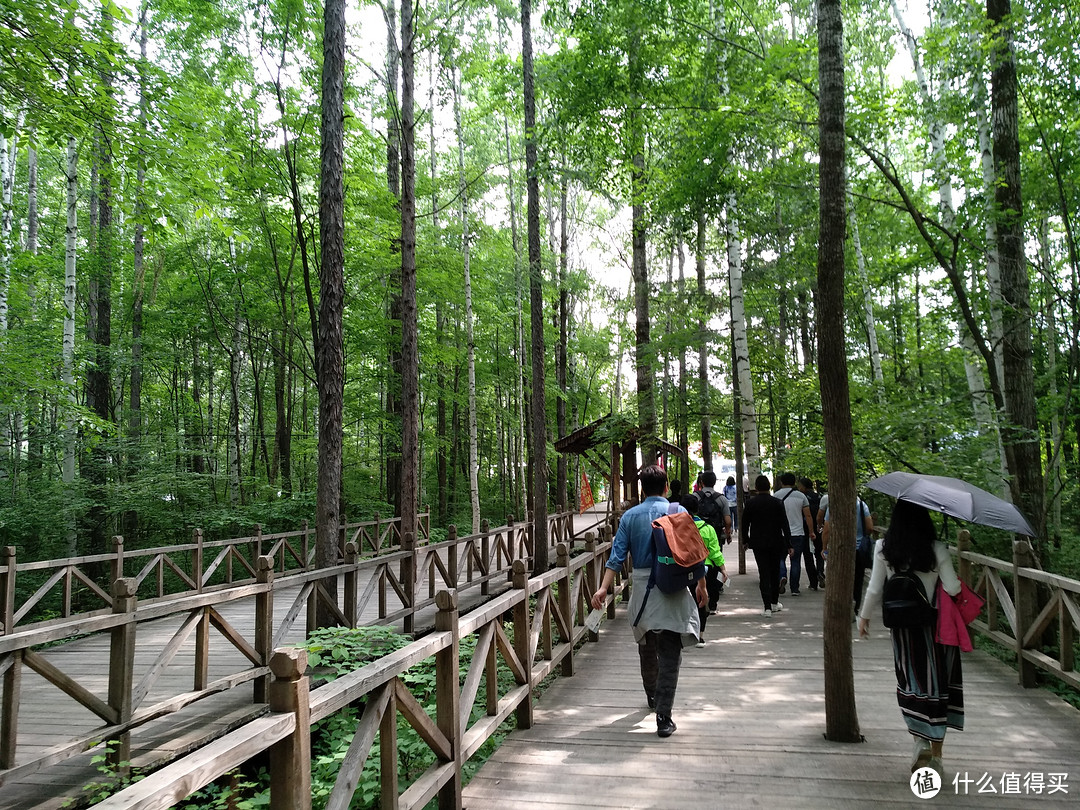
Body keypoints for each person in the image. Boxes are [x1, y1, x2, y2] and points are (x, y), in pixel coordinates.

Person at [591, 465, 707, 738]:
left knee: (647, 646)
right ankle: (664, 717)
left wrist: (602, 589)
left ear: (642, 489)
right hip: (674, 587)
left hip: (643, 588)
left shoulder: (630, 517)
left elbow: (617, 557)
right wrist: (701, 585)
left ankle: (653, 696)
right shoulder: (679, 511)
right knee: (671, 652)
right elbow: (695, 552)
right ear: (666, 486)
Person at [858, 500, 963, 776]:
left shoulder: (884, 547)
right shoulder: (936, 548)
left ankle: (919, 740)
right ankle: (937, 758)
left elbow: (874, 588)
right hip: (933, 629)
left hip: (901, 630)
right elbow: (952, 589)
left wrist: (863, 617)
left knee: (910, 682)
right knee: (937, 687)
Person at [740, 474, 791, 616]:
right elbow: (784, 524)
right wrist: (789, 543)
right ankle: (774, 602)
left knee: (764, 573)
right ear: (769, 486)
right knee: (774, 572)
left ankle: (767, 607)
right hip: (776, 542)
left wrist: (746, 540)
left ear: (755, 487)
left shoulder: (750, 503)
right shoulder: (777, 502)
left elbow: (745, 524)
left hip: (758, 543)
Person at [682, 493, 730, 630]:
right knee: (702, 600)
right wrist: (723, 568)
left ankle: (686, 628)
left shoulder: (679, 529)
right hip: (705, 568)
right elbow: (715, 552)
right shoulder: (708, 529)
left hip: (684, 568)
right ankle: (700, 635)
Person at [822, 491, 875, 612]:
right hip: (858, 550)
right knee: (858, 579)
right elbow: (870, 527)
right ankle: (855, 608)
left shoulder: (834, 506)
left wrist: (824, 547)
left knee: (839, 579)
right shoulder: (862, 505)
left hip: (838, 549)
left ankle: (841, 606)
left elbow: (826, 530)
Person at [773, 472, 812, 596]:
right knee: (795, 561)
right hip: (797, 533)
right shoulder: (801, 496)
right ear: (794, 482)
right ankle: (794, 589)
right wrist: (811, 531)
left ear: (781, 482)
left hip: (781, 534)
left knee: (780, 558)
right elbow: (808, 515)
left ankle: (782, 576)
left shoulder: (776, 496)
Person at [798, 477, 823, 590]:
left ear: (803, 486)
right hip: (819, 528)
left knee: (808, 556)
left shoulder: (802, 498)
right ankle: (820, 572)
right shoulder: (819, 497)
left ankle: (813, 583)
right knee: (819, 553)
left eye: (800, 485)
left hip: (805, 529)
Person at [696, 470, 733, 546]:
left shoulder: (695, 497)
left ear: (702, 482)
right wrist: (728, 533)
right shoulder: (722, 499)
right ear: (715, 482)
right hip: (716, 535)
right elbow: (728, 521)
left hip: (698, 535)